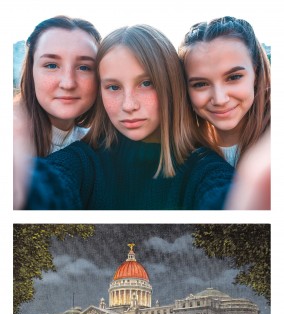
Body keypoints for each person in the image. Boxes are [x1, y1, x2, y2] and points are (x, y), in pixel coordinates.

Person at [15, 24, 234, 210]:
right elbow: (49, 184)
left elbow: (226, 198)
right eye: (113, 87)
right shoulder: (84, 159)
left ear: (171, 85)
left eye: (146, 83)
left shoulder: (206, 170)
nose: (128, 105)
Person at [179, 16, 270, 167]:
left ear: (256, 73)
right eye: (201, 84)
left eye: (234, 77)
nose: (220, 99)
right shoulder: (183, 156)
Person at [15, 15, 101, 156]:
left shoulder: (101, 148)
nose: (68, 83)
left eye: (84, 67)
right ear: (32, 72)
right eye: (52, 65)